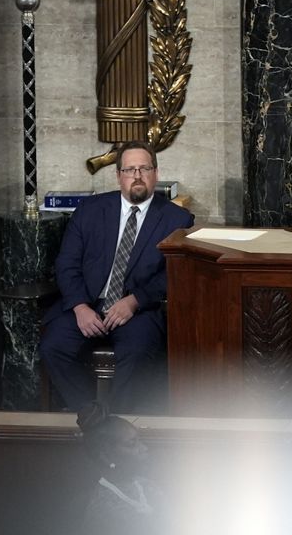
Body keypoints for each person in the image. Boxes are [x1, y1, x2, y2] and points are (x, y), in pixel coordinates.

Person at [40, 140, 195, 413]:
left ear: (155, 174)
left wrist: (135, 301)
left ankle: (119, 422)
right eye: (129, 169)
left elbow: (175, 273)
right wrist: (79, 307)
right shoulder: (90, 210)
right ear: (118, 175)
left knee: (137, 353)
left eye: (144, 169)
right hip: (88, 304)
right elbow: (67, 263)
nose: (137, 176)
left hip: (138, 309)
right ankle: (91, 415)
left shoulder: (177, 219)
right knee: (53, 347)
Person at [77, 401, 170, 535]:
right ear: (106, 456)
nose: (144, 448)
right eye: (132, 444)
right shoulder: (102, 507)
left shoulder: (147, 485)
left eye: (140, 441)